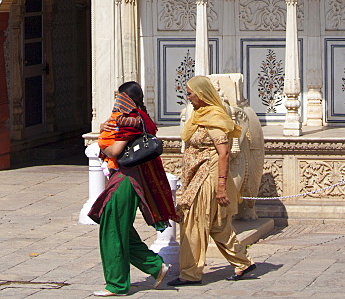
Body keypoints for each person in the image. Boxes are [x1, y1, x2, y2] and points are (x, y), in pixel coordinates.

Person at [89, 81, 178, 296]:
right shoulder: (139, 117)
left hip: (127, 179)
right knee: (117, 226)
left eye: (120, 97)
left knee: (113, 229)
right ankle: (155, 267)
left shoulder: (131, 120)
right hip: (127, 177)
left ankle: (117, 284)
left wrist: (102, 142)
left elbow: (114, 150)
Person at [168, 76, 256, 286]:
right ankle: (243, 262)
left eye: (190, 93)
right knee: (218, 224)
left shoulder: (214, 117)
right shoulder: (200, 115)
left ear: (201, 94)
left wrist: (222, 187)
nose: (188, 97)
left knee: (194, 221)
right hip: (198, 174)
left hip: (208, 175)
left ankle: (190, 273)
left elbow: (223, 153)